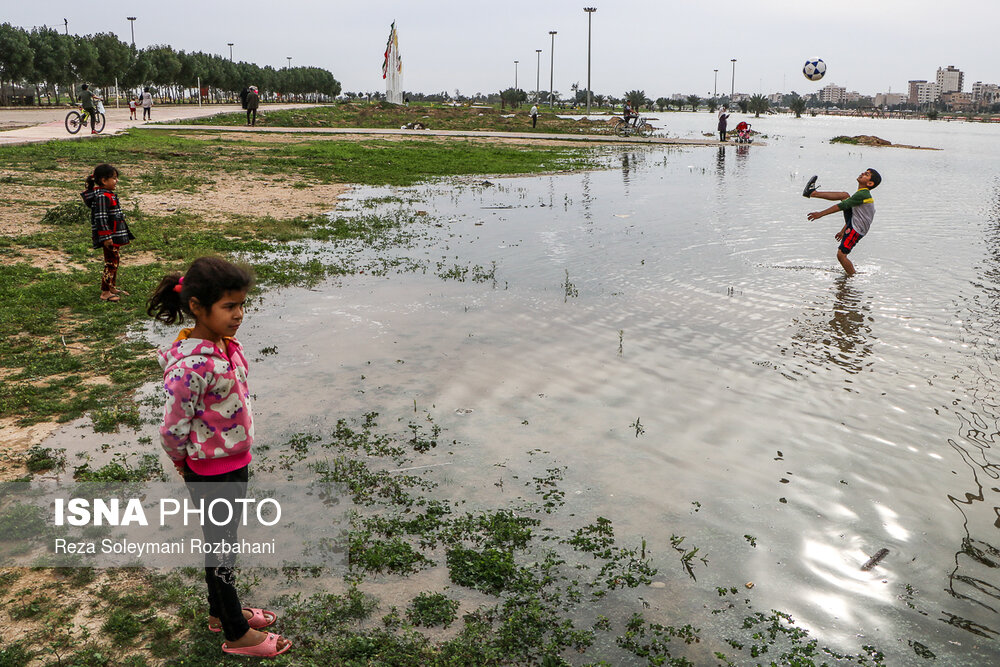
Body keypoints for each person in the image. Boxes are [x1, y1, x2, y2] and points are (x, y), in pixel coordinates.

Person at [147, 256, 292, 658]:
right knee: (221, 549)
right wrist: (182, 462)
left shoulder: (224, 346)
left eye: (242, 305)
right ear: (197, 306)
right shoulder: (191, 365)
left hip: (234, 461)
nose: (239, 315)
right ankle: (236, 632)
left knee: (223, 542)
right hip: (209, 471)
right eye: (229, 307)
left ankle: (219, 613)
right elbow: (173, 427)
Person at [804, 169, 882, 276]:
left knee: (841, 255)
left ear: (870, 183)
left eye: (866, 174)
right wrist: (843, 230)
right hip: (855, 223)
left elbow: (841, 206)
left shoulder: (863, 194)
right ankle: (812, 193)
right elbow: (856, 215)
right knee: (844, 195)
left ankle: (852, 277)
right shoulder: (860, 194)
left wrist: (820, 214)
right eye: (864, 172)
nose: (862, 173)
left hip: (857, 230)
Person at [81, 164, 135, 302]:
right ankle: (105, 292)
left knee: (115, 260)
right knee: (111, 263)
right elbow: (101, 218)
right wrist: (106, 237)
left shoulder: (107, 194)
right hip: (109, 237)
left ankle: (111, 286)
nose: (116, 181)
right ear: (104, 181)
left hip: (113, 235)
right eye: (114, 178)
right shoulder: (102, 197)